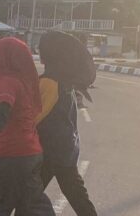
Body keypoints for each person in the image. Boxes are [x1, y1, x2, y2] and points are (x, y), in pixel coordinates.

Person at [0, 37, 55, 216]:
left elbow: (2, 113)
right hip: (31, 153)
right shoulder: (25, 78)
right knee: (32, 206)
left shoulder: (7, 80)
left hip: (11, 154)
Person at [28, 31, 98, 216]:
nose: (39, 52)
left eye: (41, 49)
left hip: (51, 151)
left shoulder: (48, 82)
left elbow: (34, 117)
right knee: (76, 195)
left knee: (29, 196)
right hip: (65, 149)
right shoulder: (64, 82)